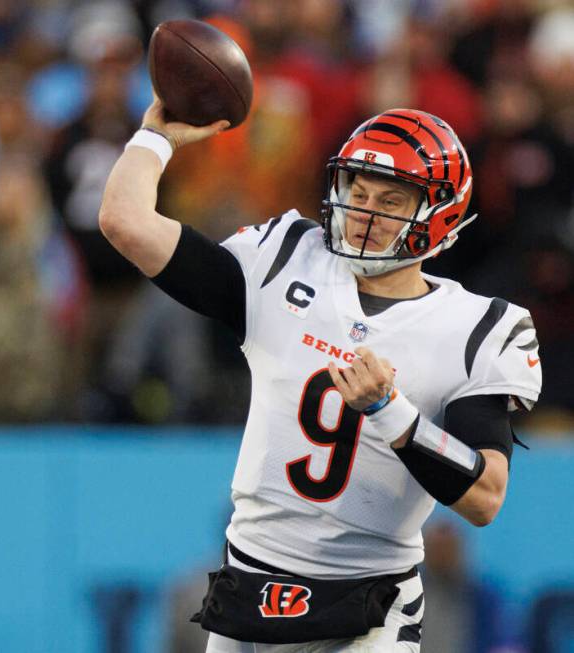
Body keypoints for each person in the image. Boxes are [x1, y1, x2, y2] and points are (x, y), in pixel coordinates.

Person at [99, 99, 541, 651]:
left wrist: (392, 413)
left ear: (439, 213)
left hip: (368, 606)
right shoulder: (285, 260)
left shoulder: (478, 328)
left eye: (390, 199)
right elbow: (125, 221)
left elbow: (485, 497)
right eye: (358, 191)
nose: (364, 211)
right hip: (248, 588)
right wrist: (153, 137)